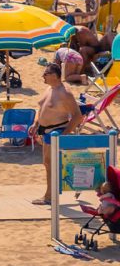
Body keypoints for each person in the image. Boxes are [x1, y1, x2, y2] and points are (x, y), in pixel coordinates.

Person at [30, 64, 83, 205]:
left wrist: (64, 135)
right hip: (45, 130)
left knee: (53, 164)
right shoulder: (49, 88)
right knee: (48, 163)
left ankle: (49, 197)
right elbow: (41, 107)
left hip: (57, 131)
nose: (43, 76)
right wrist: (36, 124)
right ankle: (51, 195)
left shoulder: (65, 93)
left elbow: (78, 116)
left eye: (45, 74)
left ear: (54, 75)